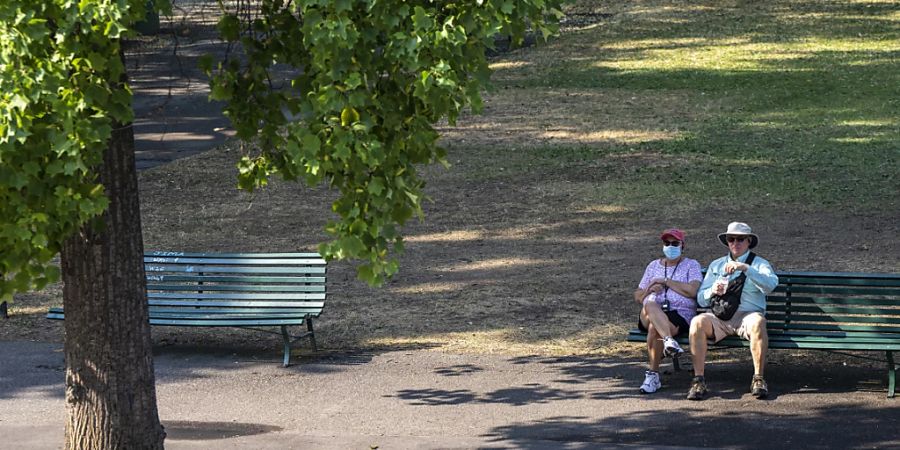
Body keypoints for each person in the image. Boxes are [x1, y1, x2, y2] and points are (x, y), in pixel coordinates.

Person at [686, 222, 779, 401]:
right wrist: (713, 289)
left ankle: (758, 379)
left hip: (748, 317)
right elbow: (701, 299)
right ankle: (698, 380)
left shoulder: (759, 264)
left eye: (740, 239)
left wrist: (746, 269)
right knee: (697, 322)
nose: (735, 243)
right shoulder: (717, 265)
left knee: (759, 322)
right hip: (719, 317)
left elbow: (770, 286)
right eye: (731, 239)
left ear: (749, 241)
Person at [634, 228, 702, 394]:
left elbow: (693, 291)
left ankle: (653, 376)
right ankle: (669, 341)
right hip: (651, 311)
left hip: (679, 314)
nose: (670, 246)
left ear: (682, 245)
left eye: (674, 243)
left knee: (653, 328)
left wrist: (666, 281)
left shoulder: (691, 265)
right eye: (667, 243)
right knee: (650, 305)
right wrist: (650, 289)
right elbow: (638, 295)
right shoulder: (652, 266)